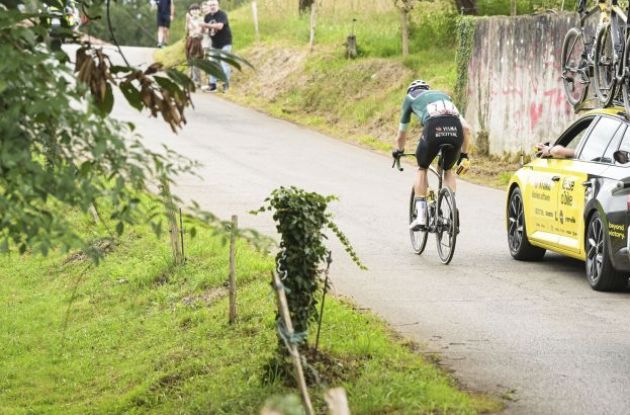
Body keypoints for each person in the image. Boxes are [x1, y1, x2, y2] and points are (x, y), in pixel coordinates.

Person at [392, 80, 473, 230]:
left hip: (433, 129)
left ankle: (422, 217)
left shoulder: (410, 98)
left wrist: (398, 151)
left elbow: (401, 134)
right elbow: (467, 128)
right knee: (447, 169)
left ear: (411, 91)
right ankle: (451, 212)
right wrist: (464, 155)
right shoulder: (445, 97)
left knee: (422, 168)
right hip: (456, 131)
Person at [201, 0, 232, 93]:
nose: (212, 7)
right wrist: (202, 28)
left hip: (225, 42)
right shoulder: (207, 17)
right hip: (214, 44)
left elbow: (220, 26)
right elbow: (206, 31)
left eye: (214, 5)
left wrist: (206, 25)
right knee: (212, 64)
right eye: (210, 5)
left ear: (218, 5)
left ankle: (225, 84)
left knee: (224, 63)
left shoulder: (222, 14)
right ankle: (212, 85)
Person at [185, 3, 204, 86]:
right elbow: (187, 31)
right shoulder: (189, 20)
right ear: (190, 11)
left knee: (196, 61)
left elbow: (197, 30)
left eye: (196, 9)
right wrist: (187, 21)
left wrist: (190, 21)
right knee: (190, 61)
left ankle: (197, 80)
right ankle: (192, 79)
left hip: (198, 41)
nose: (194, 11)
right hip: (190, 41)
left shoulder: (201, 19)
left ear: (199, 11)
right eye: (192, 10)